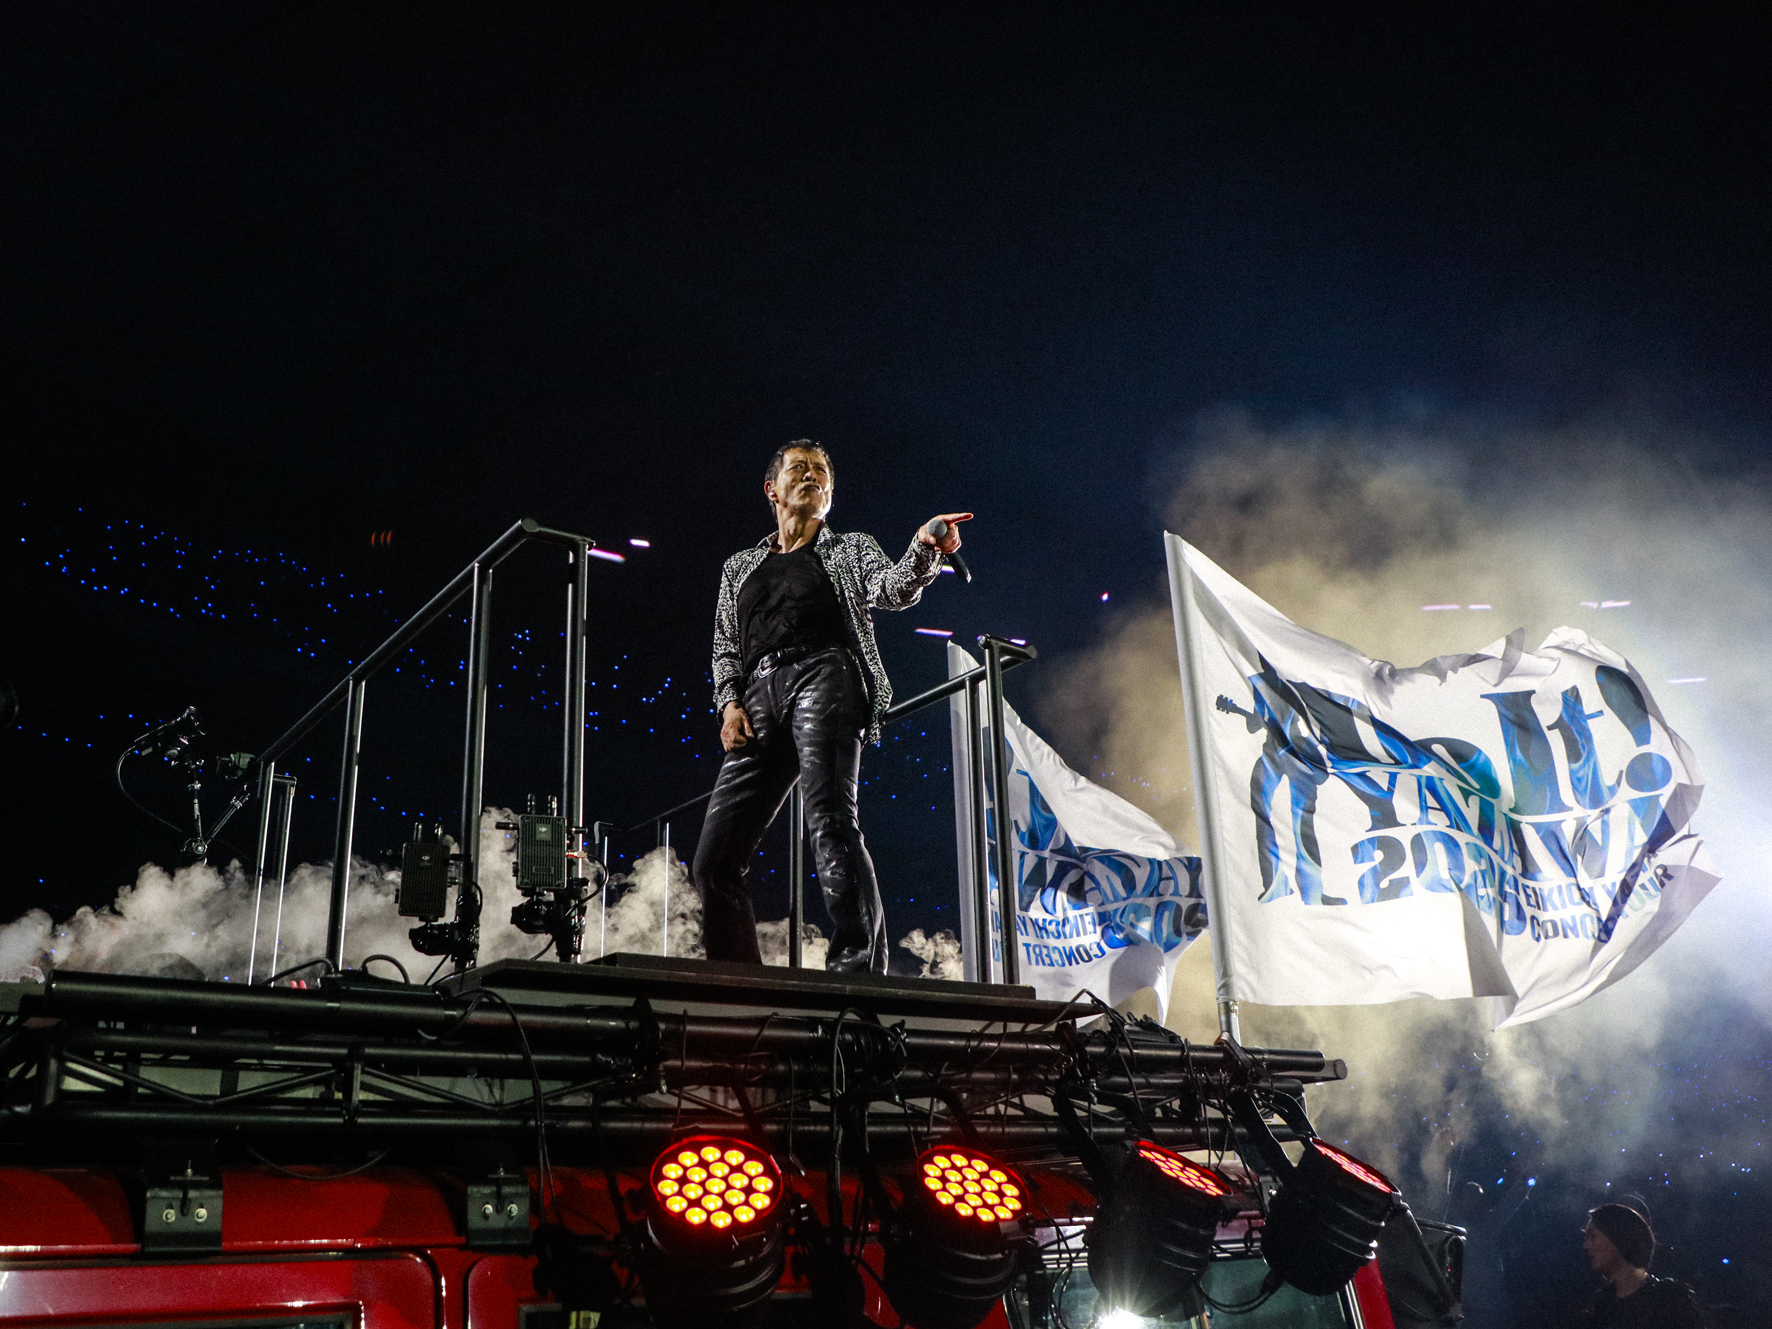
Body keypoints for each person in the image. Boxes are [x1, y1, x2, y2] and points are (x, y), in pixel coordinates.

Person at [692, 439, 969, 973]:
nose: (812, 476)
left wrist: (924, 547)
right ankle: (735, 980)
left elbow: (892, 589)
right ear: (772, 489)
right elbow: (725, 646)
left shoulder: (850, 549)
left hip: (826, 674)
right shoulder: (740, 567)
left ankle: (857, 967)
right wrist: (728, 705)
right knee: (714, 861)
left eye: (821, 471)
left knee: (831, 821)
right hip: (757, 696)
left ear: (831, 493)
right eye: (799, 468)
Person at [1578, 1203, 1704, 1327]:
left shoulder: (1670, 1300)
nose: (1586, 1245)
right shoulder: (1601, 1304)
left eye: (1593, 1236)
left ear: (1619, 1237)